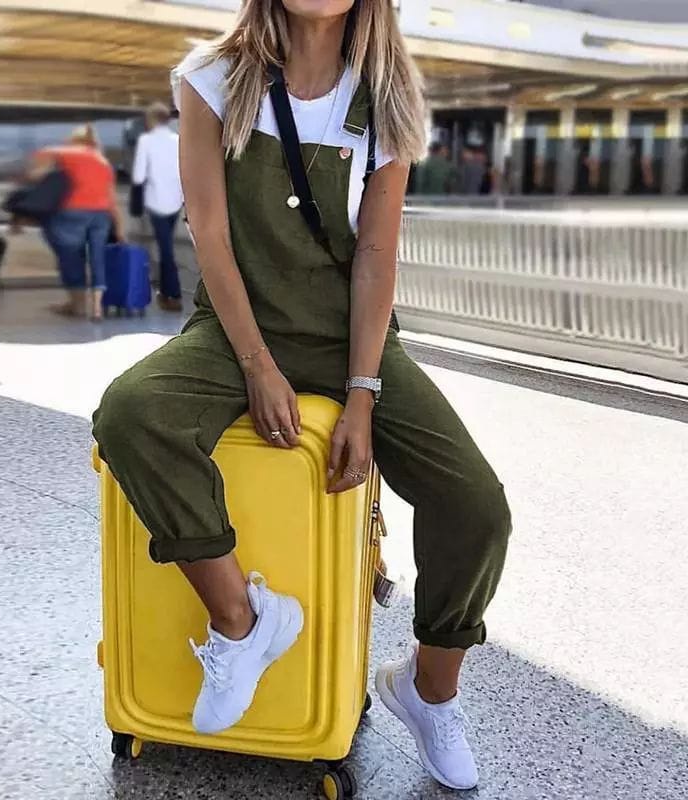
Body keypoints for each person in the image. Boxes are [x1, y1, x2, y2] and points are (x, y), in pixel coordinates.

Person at [93, 0, 511, 791]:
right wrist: (256, 365)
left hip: (349, 338)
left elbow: (377, 254)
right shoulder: (212, 78)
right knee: (132, 412)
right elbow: (210, 233)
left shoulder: (386, 95)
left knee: (475, 506)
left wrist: (363, 394)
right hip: (234, 331)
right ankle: (241, 621)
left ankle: (428, 692)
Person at [35, 124, 124, 321]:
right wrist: (119, 228)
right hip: (101, 215)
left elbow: (42, 154)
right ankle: (97, 307)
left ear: (75, 140)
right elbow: (112, 198)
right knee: (97, 258)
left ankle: (78, 304)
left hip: (72, 212)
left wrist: (41, 174)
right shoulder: (103, 161)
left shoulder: (70, 152)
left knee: (70, 256)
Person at [132, 102, 184, 311]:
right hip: (176, 201)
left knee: (165, 249)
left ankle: (173, 294)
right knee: (166, 247)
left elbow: (138, 176)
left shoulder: (146, 141)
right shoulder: (177, 140)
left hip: (156, 202)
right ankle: (166, 292)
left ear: (151, 120)